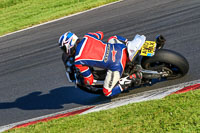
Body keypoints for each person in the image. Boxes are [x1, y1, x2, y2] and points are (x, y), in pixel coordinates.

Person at [58, 31, 165, 97]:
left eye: (64, 48)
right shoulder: (88, 37)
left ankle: (133, 77)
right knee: (112, 38)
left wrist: (86, 80)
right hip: (121, 48)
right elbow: (100, 33)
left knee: (107, 92)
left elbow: (89, 80)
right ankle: (153, 46)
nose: (64, 51)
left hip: (117, 64)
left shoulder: (78, 60)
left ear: (68, 45)